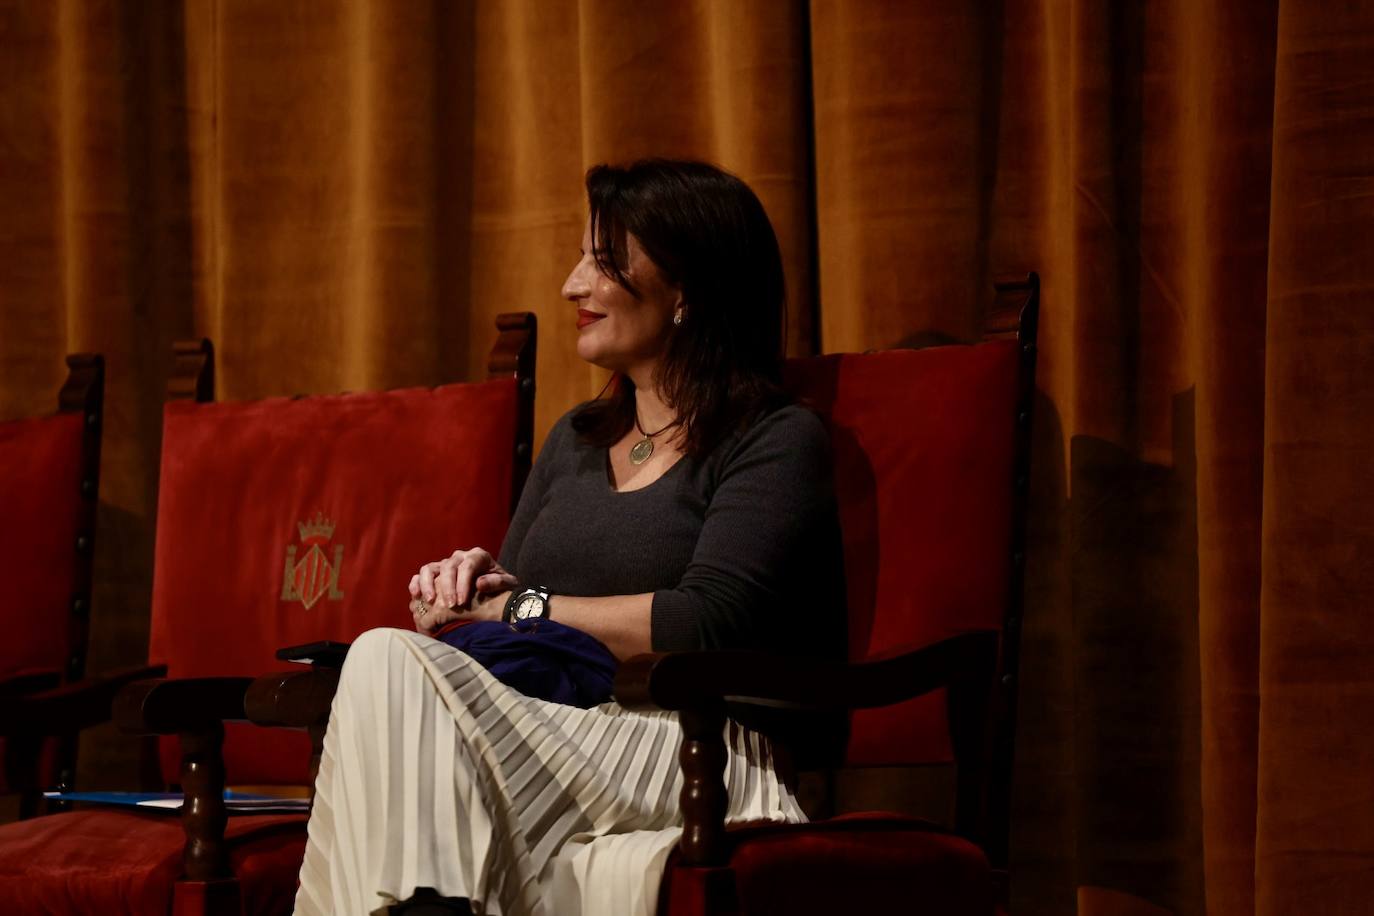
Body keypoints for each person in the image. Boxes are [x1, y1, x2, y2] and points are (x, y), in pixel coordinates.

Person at [293, 159, 846, 916]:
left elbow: (703, 622)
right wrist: (464, 599)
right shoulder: (577, 440)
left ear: (687, 289)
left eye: (603, 260)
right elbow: (523, 615)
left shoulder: (774, 440)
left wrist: (520, 607)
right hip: (559, 733)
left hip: (695, 749)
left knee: (384, 663)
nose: (572, 285)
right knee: (396, 663)